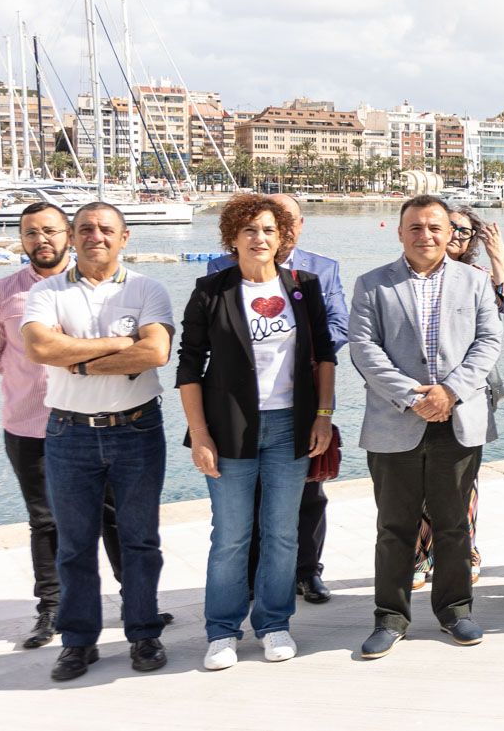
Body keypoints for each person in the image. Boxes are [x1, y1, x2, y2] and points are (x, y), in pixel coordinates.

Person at [177, 195, 337, 669]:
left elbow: (325, 355)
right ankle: (223, 631)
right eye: (249, 230)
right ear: (232, 237)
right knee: (230, 534)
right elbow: (188, 366)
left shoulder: (303, 287)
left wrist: (323, 414)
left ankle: (274, 624)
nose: (259, 238)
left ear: (283, 237)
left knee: (283, 533)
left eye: (268, 230)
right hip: (228, 429)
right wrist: (199, 435)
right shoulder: (211, 290)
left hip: (292, 425)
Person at [20, 202, 176, 680]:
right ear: (72, 235)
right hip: (69, 433)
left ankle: (144, 632)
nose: (95, 236)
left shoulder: (148, 288)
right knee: (73, 545)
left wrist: (82, 360)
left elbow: (155, 352)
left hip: (137, 429)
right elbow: (40, 347)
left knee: (141, 540)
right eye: (85, 228)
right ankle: (78, 641)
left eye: (106, 229)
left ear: (124, 237)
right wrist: (118, 346)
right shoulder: (47, 292)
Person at [0, 203, 138, 649]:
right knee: (46, 522)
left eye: (49, 231)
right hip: (30, 426)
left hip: (93, 420)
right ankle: (52, 610)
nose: (40, 240)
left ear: (68, 234)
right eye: (30, 233)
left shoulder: (94, 290)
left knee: (114, 517)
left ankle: (134, 600)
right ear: (21, 239)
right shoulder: (0, 295)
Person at [348, 195, 503, 659]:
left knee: (454, 524)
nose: (426, 235)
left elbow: (489, 342)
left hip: (457, 419)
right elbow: (363, 347)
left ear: (449, 233)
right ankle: (390, 617)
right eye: (415, 227)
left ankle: (456, 610)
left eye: (435, 227)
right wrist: (414, 396)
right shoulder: (372, 285)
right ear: (400, 232)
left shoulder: (474, 282)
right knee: (394, 525)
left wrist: (449, 392)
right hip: (397, 420)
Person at [206, 193, 348, 604]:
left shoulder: (322, 269)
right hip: (239, 405)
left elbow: (338, 326)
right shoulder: (221, 270)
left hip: (305, 396)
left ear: (296, 226)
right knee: (243, 500)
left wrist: (300, 350)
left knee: (307, 492)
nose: (268, 231)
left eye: (282, 221)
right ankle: (248, 577)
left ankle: (307, 572)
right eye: (259, 223)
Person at [405, 205, 504, 591]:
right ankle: (420, 551)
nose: (458, 238)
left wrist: (498, 257)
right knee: (419, 481)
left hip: (470, 394)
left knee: (465, 481)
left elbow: (503, 319)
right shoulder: (408, 275)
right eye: (454, 229)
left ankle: (467, 550)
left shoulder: (478, 277)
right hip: (418, 396)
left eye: (465, 233)